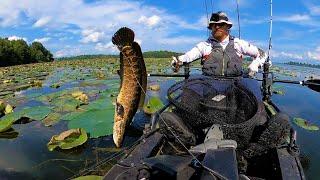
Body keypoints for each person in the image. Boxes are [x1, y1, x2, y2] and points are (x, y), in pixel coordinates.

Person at [171, 11, 270, 77]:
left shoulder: (238, 44)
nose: (217, 27)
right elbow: (188, 56)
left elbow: (263, 54)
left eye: (221, 24)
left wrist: (255, 64)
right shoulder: (204, 46)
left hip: (235, 86)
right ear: (211, 27)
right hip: (209, 86)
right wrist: (178, 61)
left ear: (227, 27)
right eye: (214, 24)